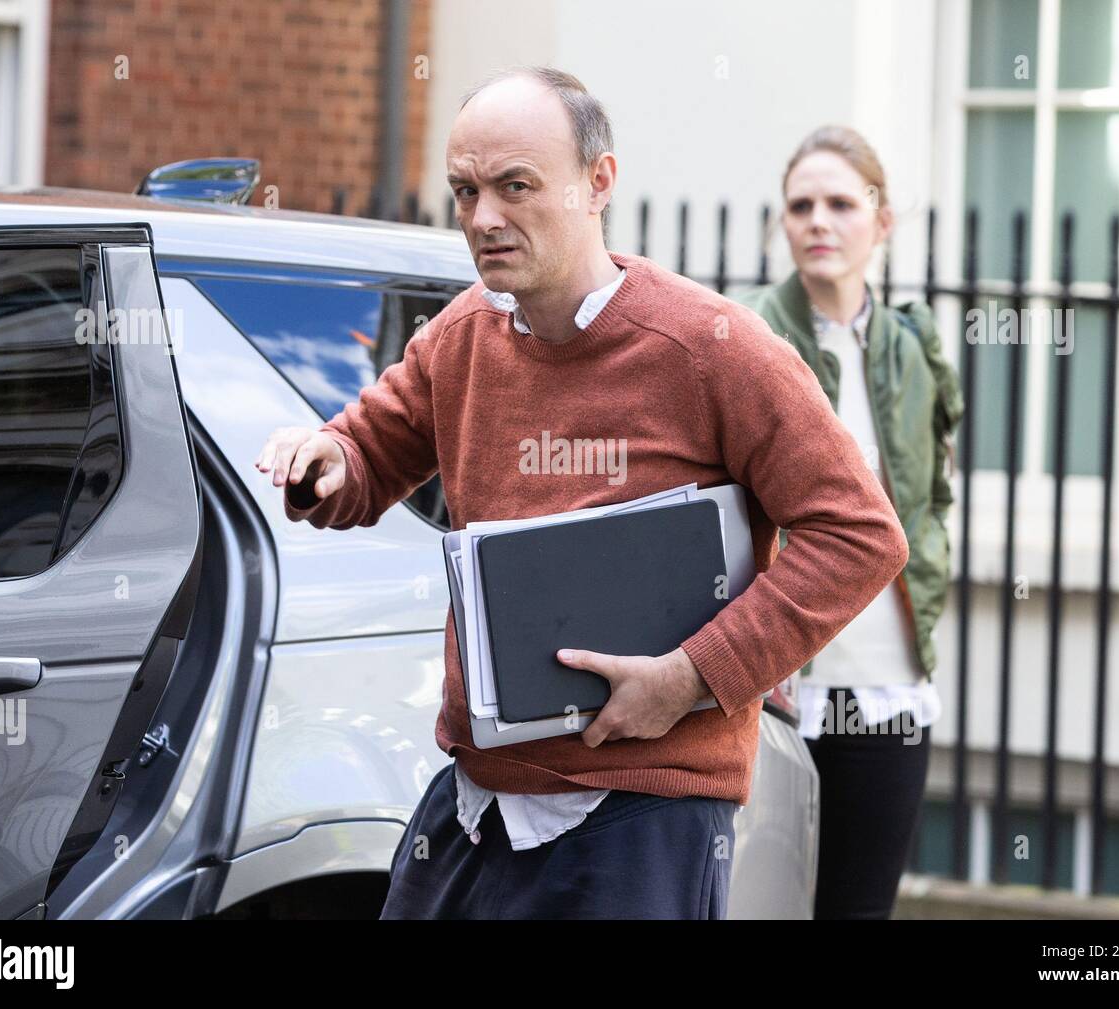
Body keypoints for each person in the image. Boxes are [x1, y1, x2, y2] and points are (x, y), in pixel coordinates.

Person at [254, 71, 909, 920]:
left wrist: (690, 676)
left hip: (644, 813)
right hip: (478, 797)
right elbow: (367, 454)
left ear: (598, 182)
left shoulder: (714, 347)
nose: (484, 217)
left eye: (515, 186)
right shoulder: (459, 337)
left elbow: (860, 536)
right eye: (465, 191)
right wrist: (327, 461)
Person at [732, 125, 965, 919]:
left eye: (841, 203)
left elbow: (930, 501)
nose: (818, 221)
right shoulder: (747, 337)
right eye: (800, 206)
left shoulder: (912, 348)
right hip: (778, 691)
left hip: (889, 688)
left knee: (858, 911)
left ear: (883, 222)